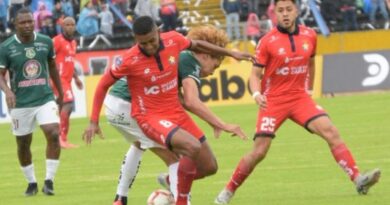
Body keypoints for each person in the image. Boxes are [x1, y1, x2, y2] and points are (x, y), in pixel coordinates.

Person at [214, 0, 381, 204]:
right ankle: (228, 190)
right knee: (259, 151)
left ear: (296, 11)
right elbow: (255, 74)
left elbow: (311, 62)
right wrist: (257, 94)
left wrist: (309, 89)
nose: (285, 14)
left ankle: (358, 179)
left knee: (331, 132)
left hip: (299, 98)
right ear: (274, 13)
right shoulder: (267, 41)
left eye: (288, 10)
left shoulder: (309, 35)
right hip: (273, 101)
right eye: (280, 11)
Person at [82, 16, 252, 205]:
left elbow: (182, 96)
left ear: (158, 33)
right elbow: (191, 101)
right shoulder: (178, 60)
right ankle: (179, 199)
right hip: (132, 106)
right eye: (143, 43)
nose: (149, 46)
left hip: (156, 108)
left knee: (204, 163)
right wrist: (93, 120)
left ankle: (124, 197)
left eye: (152, 41)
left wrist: (230, 53)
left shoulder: (175, 41)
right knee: (178, 153)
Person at [0, 8, 63, 196]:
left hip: (44, 97)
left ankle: (49, 181)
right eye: (22, 22)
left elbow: (52, 66)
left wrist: (60, 92)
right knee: (23, 144)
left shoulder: (45, 42)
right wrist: (8, 90)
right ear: (15, 24)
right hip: (20, 103)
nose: (27, 25)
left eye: (29, 21)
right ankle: (31, 183)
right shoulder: (6, 47)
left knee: (53, 133)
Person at [52, 17, 83, 148]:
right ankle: (61, 139)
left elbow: (70, 61)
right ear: (62, 27)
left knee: (62, 108)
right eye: (67, 25)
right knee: (69, 104)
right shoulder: (57, 41)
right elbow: (48, 58)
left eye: (72, 24)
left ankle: (59, 139)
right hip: (58, 79)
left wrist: (76, 78)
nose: (70, 27)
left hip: (68, 80)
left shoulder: (73, 43)